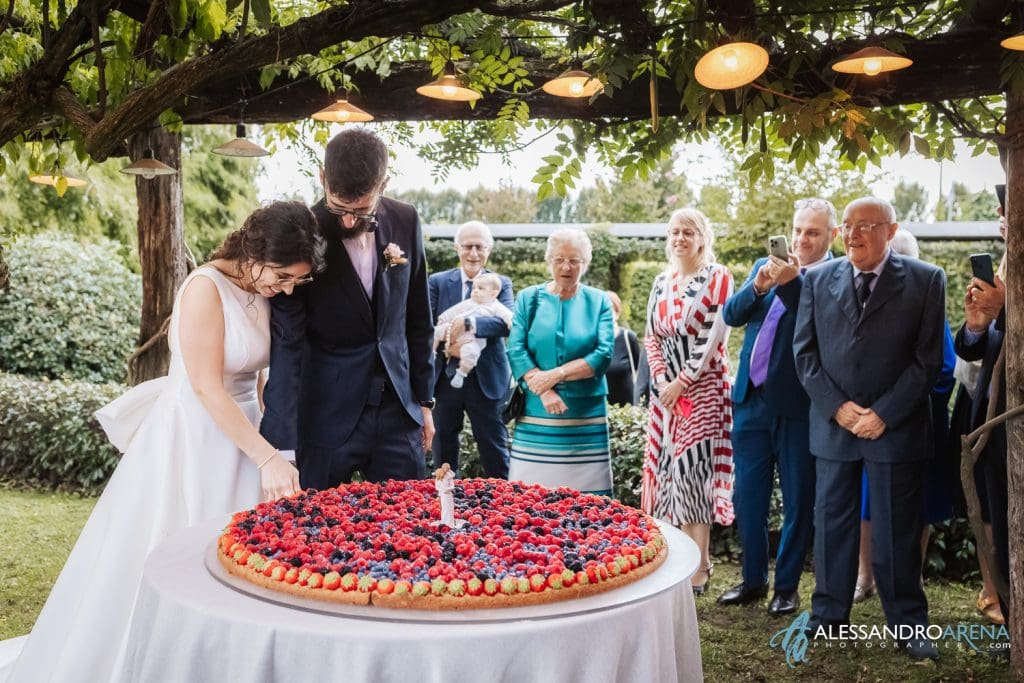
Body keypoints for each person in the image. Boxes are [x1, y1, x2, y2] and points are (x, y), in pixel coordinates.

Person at [2, 202, 320, 683]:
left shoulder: (260, 289)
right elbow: (207, 386)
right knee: (179, 554)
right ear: (254, 250)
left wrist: (266, 439)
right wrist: (266, 456)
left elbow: (254, 378)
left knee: (239, 562)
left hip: (245, 435)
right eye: (283, 275)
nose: (288, 288)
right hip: (193, 438)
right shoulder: (203, 288)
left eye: (297, 280)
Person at [794, 197, 946, 661]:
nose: (854, 233)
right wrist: (839, 409)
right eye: (848, 226)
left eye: (867, 225)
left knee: (897, 528)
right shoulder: (818, 279)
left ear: (891, 229)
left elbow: (927, 360)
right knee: (833, 524)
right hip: (835, 425)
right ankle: (827, 620)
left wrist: (883, 413)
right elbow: (805, 354)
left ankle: (908, 624)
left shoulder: (926, 280)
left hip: (894, 427)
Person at [260, 128, 435, 489]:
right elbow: (288, 341)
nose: (349, 221)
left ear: (384, 184)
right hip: (324, 416)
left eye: (360, 209)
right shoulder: (299, 231)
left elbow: (418, 317)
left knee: (409, 529)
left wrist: (424, 401)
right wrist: (281, 443)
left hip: (398, 414)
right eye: (339, 208)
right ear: (322, 178)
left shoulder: (407, 219)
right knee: (312, 533)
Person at [719, 197, 837, 615]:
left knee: (797, 500)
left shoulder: (835, 277)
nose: (802, 239)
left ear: (832, 237)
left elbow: (816, 319)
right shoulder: (763, 266)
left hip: (798, 407)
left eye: (813, 232)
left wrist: (789, 282)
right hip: (750, 401)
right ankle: (752, 580)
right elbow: (732, 316)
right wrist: (758, 286)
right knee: (746, 498)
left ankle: (785, 588)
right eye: (799, 230)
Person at [852, 228, 955, 604]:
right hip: (871, 425)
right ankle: (865, 576)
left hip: (920, 424)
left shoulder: (929, 297)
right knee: (867, 504)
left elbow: (944, 368)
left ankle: (913, 574)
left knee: (921, 505)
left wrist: (900, 406)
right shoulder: (864, 302)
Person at [641, 208, 735, 595]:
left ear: (702, 237)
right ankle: (677, 560)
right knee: (667, 474)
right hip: (665, 395)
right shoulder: (662, 281)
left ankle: (700, 566)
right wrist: (663, 381)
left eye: (688, 232)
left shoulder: (717, 276)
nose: (680, 238)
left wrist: (682, 381)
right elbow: (650, 335)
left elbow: (715, 333)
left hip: (703, 390)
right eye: (674, 231)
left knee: (694, 471)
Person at [506, 228, 615, 494]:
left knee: (590, 503)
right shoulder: (528, 298)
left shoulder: (599, 301)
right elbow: (516, 348)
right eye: (559, 259)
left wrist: (554, 375)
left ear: (584, 263)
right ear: (549, 261)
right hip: (536, 411)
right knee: (531, 498)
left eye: (574, 260)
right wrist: (544, 389)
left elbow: (603, 355)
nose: (566, 266)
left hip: (585, 416)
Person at [954, 207, 1009, 624]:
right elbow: (979, 348)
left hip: (1017, 420)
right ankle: (1008, 614)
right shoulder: (1007, 264)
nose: (1001, 218)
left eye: (1010, 211)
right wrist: (976, 325)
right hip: (993, 421)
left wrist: (1005, 311)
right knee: (995, 520)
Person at [428, 220, 513, 478]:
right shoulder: (438, 282)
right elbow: (428, 324)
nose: (473, 253)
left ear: (489, 249)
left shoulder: (501, 283)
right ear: (457, 248)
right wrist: (449, 346)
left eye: (479, 247)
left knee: (494, 450)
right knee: (443, 449)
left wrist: (468, 322)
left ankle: (506, 509)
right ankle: (444, 506)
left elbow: (507, 324)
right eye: (467, 246)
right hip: (445, 379)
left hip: (487, 380)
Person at [432, 273, 513, 388]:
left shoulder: (495, 305)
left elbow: (506, 315)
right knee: (435, 332)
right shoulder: (469, 302)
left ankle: (462, 372)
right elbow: (454, 310)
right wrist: (443, 318)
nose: (474, 291)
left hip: (473, 342)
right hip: (444, 373)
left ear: (493, 294)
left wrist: (509, 320)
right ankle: (432, 352)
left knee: (470, 353)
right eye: (474, 288)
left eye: (480, 289)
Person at [604, 291, 641, 406]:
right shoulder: (591, 341)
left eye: (609, 310)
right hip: (600, 406)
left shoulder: (628, 338)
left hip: (627, 409)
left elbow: (639, 369)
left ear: (617, 313)